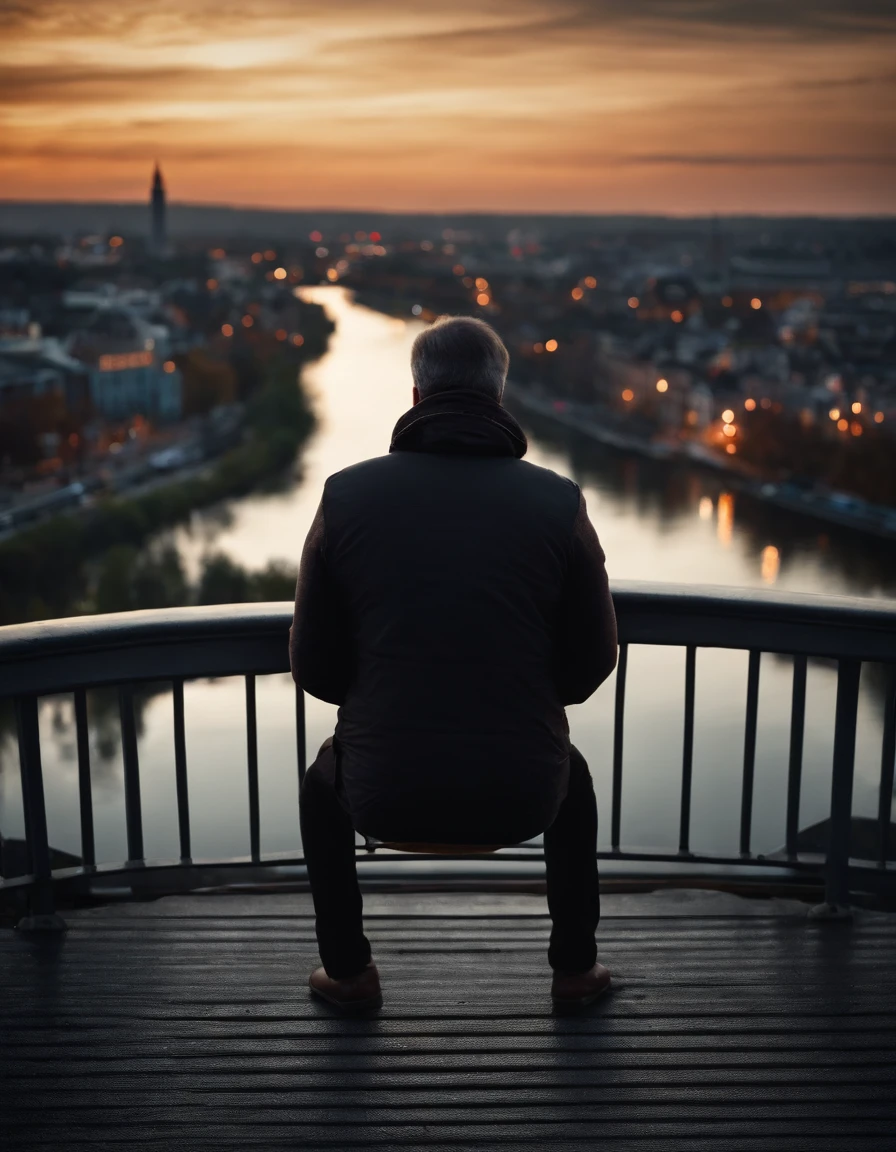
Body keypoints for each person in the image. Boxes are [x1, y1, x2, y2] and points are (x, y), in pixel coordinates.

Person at [290, 316, 618, 1013]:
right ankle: (574, 971)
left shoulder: (346, 497)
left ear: (415, 397)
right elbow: (591, 665)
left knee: (323, 785)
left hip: (385, 791)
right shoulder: (558, 503)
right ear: (499, 398)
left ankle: (348, 973)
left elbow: (314, 669)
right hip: (523, 793)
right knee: (574, 777)